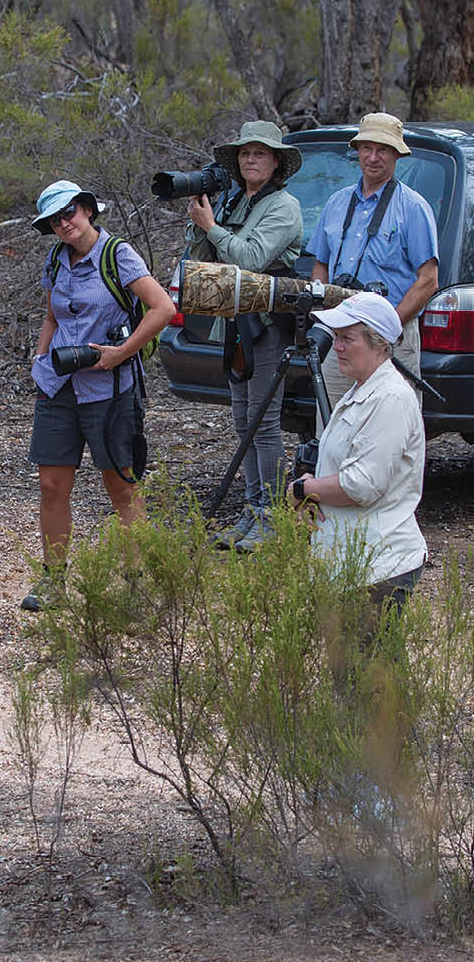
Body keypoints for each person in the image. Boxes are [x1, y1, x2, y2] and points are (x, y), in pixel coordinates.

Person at [23, 179, 173, 610]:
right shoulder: (57, 259)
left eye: (69, 212)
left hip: (110, 389)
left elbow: (162, 308)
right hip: (59, 385)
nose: (64, 223)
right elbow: (51, 316)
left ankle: (137, 586)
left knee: (121, 487)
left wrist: (121, 353)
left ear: (87, 210)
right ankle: (53, 581)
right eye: (55, 219)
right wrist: (40, 361)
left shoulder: (117, 255)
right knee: (51, 485)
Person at [184, 120, 305, 550]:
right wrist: (200, 221)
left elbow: (251, 259)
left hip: (268, 323)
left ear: (276, 162)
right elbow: (203, 260)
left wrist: (212, 227)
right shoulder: (237, 200)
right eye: (245, 153)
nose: (250, 159)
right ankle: (253, 509)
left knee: (263, 423)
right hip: (236, 321)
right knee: (242, 420)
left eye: (260, 153)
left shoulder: (284, 206)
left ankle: (271, 515)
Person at [291, 292, 426, 617]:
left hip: (377, 567)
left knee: (368, 665)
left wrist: (303, 489)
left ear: (379, 344)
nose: (336, 347)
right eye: (336, 337)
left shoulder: (389, 398)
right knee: (353, 666)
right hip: (355, 564)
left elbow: (362, 484)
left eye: (347, 338)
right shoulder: (364, 390)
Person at [309, 111, 438, 408]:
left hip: (392, 337)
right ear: (357, 152)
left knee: (391, 427)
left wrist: (388, 327)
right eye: (367, 148)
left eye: (383, 149)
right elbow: (321, 265)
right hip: (341, 333)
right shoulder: (337, 203)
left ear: (396, 155)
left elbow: (428, 280)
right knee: (332, 425)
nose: (374, 157)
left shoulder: (413, 207)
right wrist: (322, 311)